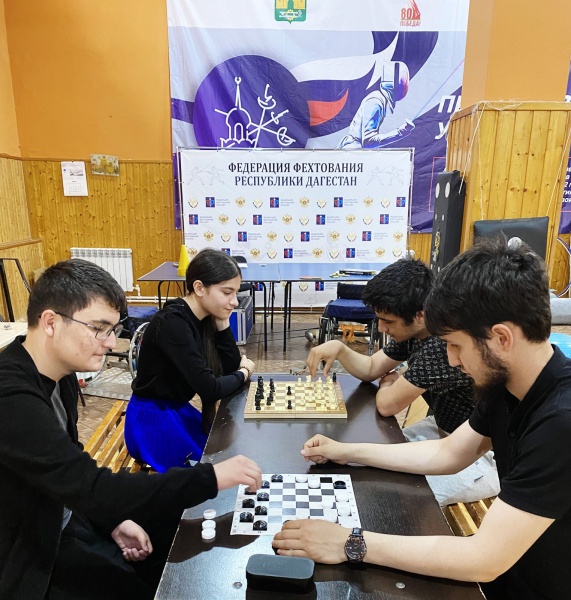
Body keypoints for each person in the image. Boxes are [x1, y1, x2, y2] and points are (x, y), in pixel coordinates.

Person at [274, 237, 571, 600]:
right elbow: (447, 453)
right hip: (514, 574)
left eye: (456, 345)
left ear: (501, 338)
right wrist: (345, 451)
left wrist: (350, 542)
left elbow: (484, 558)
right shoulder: (506, 383)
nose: (451, 360)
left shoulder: (561, 421)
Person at [0, 259, 262, 600]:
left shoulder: (59, 375)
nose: (111, 342)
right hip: (32, 554)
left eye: (113, 329)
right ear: (50, 322)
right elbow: (88, 485)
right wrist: (210, 477)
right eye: (99, 328)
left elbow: (70, 471)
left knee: (177, 547)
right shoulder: (10, 396)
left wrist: (112, 520)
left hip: (68, 519)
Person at [306, 258, 499, 505]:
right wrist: (340, 348)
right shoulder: (415, 332)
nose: (381, 328)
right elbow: (371, 368)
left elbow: (387, 405)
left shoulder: (440, 347)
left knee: (395, 497)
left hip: (482, 456)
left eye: (388, 321)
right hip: (440, 431)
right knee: (366, 467)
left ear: (420, 315)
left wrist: (388, 384)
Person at [125, 248, 255, 472]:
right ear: (199, 288)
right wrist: (244, 373)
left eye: (236, 293)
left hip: (175, 412)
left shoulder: (201, 317)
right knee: (219, 470)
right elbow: (211, 388)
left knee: (231, 455)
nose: (234, 301)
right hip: (153, 423)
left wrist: (223, 325)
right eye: (227, 292)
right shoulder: (173, 323)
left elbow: (229, 368)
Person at [338, 61, 415, 149]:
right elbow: (368, 141)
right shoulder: (376, 101)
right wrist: (399, 132)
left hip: (357, 151)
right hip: (352, 151)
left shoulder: (380, 99)